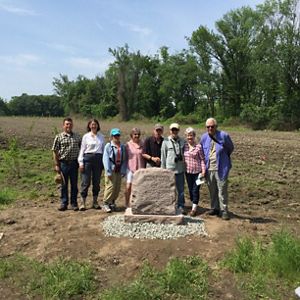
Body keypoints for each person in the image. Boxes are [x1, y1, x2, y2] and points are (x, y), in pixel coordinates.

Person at [200, 118, 234, 220]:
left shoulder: (224, 136)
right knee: (212, 190)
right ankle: (214, 208)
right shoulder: (204, 137)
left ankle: (224, 210)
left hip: (221, 168)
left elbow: (230, 148)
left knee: (222, 190)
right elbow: (202, 150)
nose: (210, 128)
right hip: (209, 168)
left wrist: (224, 158)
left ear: (216, 126)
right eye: (208, 127)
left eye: (212, 126)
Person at [52, 117, 81, 211]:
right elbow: (55, 151)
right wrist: (56, 164)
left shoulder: (77, 137)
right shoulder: (59, 137)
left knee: (74, 184)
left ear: (72, 125)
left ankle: (74, 203)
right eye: (67, 124)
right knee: (64, 185)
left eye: (70, 124)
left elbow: (81, 149)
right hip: (63, 163)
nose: (69, 126)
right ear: (63, 125)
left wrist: (80, 162)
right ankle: (64, 203)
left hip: (74, 163)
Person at [78, 119, 105, 211]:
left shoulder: (101, 136)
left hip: (98, 160)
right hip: (87, 160)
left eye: (95, 124)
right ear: (89, 126)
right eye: (92, 124)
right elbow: (82, 150)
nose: (94, 126)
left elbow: (103, 150)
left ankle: (95, 202)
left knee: (96, 182)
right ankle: (83, 203)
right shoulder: (86, 136)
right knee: (85, 182)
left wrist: (104, 163)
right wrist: (81, 163)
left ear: (98, 125)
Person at [161, 123, 185, 214]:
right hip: (169, 170)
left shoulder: (182, 141)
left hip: (180, 169)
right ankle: (169, 205)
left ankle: (181, 206)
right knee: (169, 189)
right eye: (172, 130)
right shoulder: (165, 141)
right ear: (170, 131)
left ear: (178, 131)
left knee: (181, 190)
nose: (174, 132)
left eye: (176, 130)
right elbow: (163, 156)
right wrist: (163, 169)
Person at [102, 128, 127, 213]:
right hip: (111, 170)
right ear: (111, 136)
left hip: (119, 170)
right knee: (110, 186)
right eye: (115, 135)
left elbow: (124, 159)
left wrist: (123, 170)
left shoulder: (123, 147)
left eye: (118, 135)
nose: (116, 137)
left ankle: (112, 202)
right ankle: (105, 203)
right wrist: (108, 171)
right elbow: (105, 159)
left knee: (117, 187)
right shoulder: (108, 146)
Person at [183, 127, 206, 216]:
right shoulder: (184, 146)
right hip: (188, 172)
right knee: (190, 189)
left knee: (195, 189)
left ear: (194, 136)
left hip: (198, 172)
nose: (190, 137)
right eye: (188, 136)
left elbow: (202, 159)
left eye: (191, 135)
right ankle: (194, 203)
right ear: (186, 136)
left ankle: (194, 209)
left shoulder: (199, 147)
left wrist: (203, 171)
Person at [125, 128, 145, 208]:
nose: (136, 136)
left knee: (139, 186)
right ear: (131, 135)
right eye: (135, 134)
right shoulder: (127, 145)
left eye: (138, 134)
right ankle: (127, 203)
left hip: (140, 168)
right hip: (130, 168)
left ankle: (137, 203)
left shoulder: (143, 144)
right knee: (129, 186)